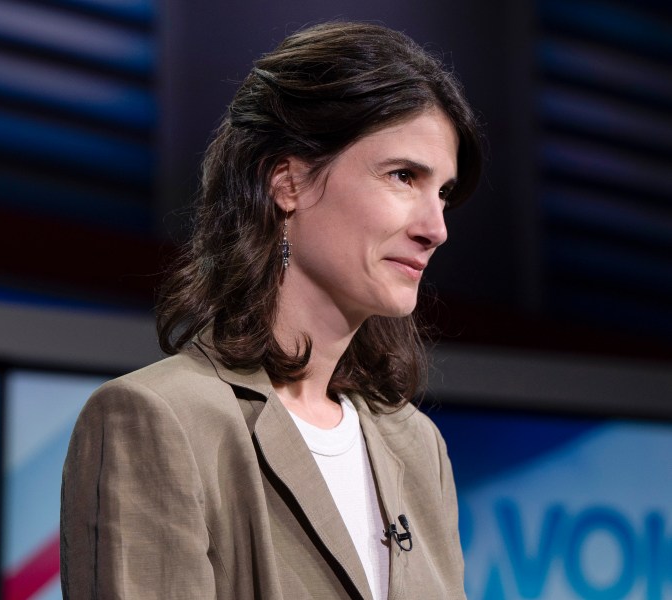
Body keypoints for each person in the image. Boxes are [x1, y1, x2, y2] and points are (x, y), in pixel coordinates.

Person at [61, 21, 482, 600]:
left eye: (442, 194)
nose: (435, 229)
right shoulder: (158, 420)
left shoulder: (418, 445)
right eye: (403, 176)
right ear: (288, 182)